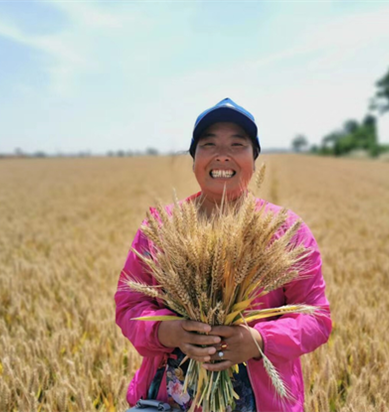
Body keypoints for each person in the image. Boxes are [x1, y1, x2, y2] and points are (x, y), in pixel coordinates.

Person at [115, 98, 332, 412]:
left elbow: (316, 317)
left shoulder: (287, 231)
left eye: (237, 144)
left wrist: (258, 341)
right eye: (209, 143)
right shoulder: (160, 227)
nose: (222, 155)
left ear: (254, 159)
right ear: (194, 158)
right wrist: (168, 331)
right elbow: (129, 303)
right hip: (168, 400)